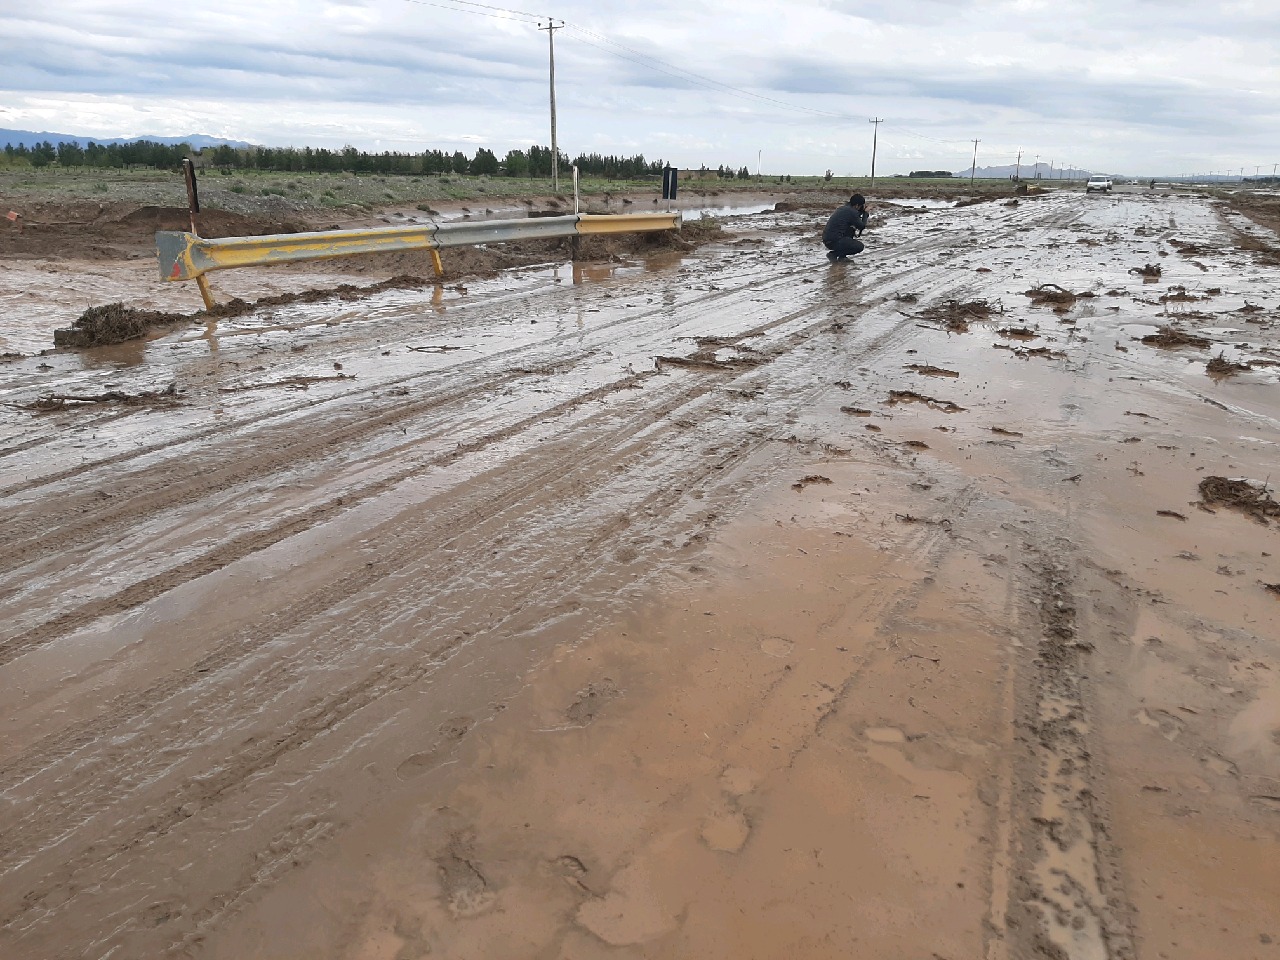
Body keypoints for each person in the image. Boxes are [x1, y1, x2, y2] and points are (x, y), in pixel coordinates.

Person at [823, 194, 868, 262]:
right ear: (857, 205)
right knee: (859, 246)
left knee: (850, 229)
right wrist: (865, 214)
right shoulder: (852, 212)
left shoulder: (844, 208)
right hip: (835, 241)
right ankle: (834, 254)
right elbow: (861, 226)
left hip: (827, 239)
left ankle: (842, 257)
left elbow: (853, 218)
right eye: (861, 206)